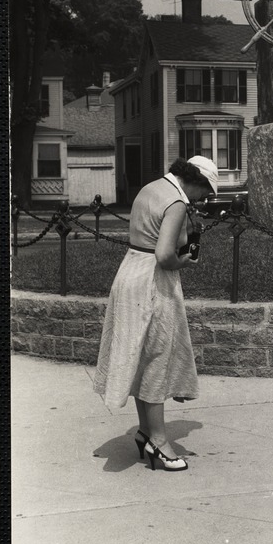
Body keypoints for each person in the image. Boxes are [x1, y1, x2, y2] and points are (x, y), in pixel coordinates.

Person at [93, 156, 219, 471]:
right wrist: (184, 262)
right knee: (157, 361)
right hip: (152, 281)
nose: (205, 198)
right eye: (207, 191)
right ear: (196, 181)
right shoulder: (176, 202)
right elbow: (164, 255)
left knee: (141, 356)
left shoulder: (151, 187)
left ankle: (146, 432)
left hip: (129, 273)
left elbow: (150, 238)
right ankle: (160, 442)